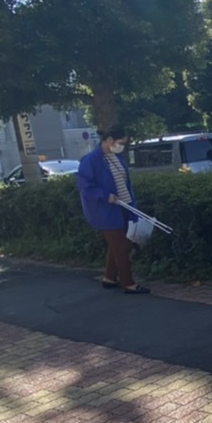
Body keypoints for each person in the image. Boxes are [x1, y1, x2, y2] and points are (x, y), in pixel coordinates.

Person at [76, 124, 150, 295]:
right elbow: (85, 187)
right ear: (110, 140)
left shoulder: (116, 157)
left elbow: (125, 181)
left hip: (124, 206)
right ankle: (128, 283)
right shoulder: (90, 160)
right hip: (105, 210)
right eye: (120, 143)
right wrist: (104, 195)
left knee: (117, 244)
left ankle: (109, 278)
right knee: (121, 246)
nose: (122, 146)